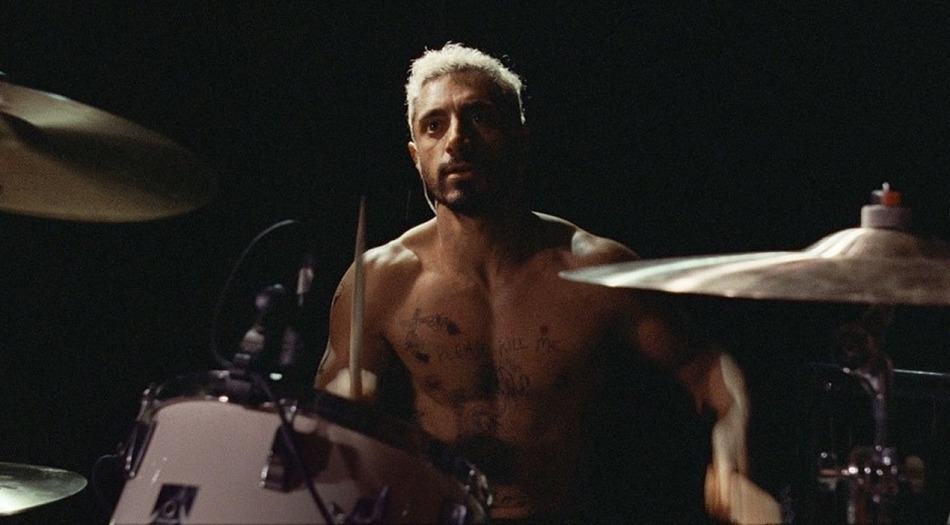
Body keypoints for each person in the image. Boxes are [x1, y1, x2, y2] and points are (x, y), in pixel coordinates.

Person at [315, 43, 779, 523]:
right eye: (434, 125)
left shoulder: (594, 271)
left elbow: (708, 370)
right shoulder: (381, 280)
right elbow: (318, 425)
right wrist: (340, 410)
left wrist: (732, 448)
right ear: (416, 155)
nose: (457, 140)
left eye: (479, 117)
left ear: (520, 137)